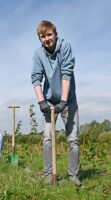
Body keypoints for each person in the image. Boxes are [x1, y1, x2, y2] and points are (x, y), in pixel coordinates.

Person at [31, 20, 81, 185]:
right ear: (40, 39)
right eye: (42, 36)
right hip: (49, 101)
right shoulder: (38, 54)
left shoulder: (65, 47)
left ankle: (73, 176)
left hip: (69, 100)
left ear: (56, 34)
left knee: (72, 139)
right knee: (47, 138)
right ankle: (48, 174)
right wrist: (41, 101)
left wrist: (64, 101)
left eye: (49, 35)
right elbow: (36, 78)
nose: (46, 39)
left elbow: (66, 73)